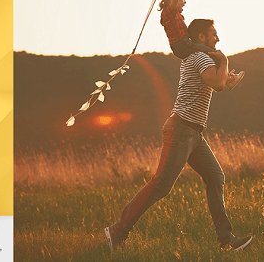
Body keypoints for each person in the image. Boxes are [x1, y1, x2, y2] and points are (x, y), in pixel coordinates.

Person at [104, 18, 253, 252]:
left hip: (193, 134)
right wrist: (224, 60)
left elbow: (219, 82)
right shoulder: (201, 58)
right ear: (201, 37)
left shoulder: (196, 58)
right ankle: (118, 231)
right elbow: (218, 84)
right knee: (160, 186)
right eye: (213, 34)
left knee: (215, 176)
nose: (217, 38)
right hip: (181, 130)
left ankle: (226, 240)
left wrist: (225, 74)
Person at [159, 0, 244, 89]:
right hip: (182, 44)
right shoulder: (169, 13)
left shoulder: (175, 15)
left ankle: (228, 78)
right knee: (213, 53)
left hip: (182, 45)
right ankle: (228, 79)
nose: (184, 3)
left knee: (209, 53)